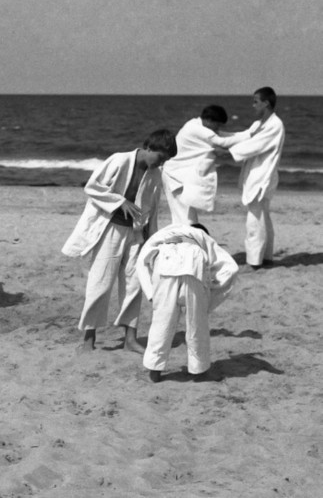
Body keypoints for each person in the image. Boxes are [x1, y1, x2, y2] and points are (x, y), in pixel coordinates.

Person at [61, 129, 178, 354]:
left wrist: (151, 240)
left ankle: (130, 338)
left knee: (135, 285)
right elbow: (92, 186)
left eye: (165, 161)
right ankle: (89, 338)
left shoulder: (155, 175)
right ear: (150, 148)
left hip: (136, 234)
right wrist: (119, 201)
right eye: (161, 157)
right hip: (110, 229)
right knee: (100, 283)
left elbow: (152, 210)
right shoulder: (119, 160)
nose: (161, 163)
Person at [137, 223, 239, 383]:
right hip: (195, 264)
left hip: (165, 262)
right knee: (197, 324)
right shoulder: (202, 236)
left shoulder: (165, 232)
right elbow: (231, 268)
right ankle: (199, 371)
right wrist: (210, 291)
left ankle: (154, 371)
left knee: (161, 323)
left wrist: (151, 293)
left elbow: (142, 261)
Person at [162, 104, 252, 225]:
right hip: (174, 176)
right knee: (184, 216)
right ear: (209, 120)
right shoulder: (195, 128)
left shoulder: (199, 126)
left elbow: (222, 135)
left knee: (184, 215)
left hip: (179, 175)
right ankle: (184, 240)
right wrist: (250, 134)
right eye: (218, 125)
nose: (218, 129)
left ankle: (184, 240)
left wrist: (248, 134)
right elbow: (222, 141)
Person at [228, 87, 285, 269]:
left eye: (255, 101)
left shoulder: (275, 125)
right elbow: (243, 137)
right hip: (256, 175)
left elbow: (253, 145)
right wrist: (217, 138)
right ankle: (266, 257)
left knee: (254, 219)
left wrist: (224, 151)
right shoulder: (258, 123)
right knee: (262, 217)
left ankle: (255, 262)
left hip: (263, 176)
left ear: (266, 102)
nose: (253, 105)